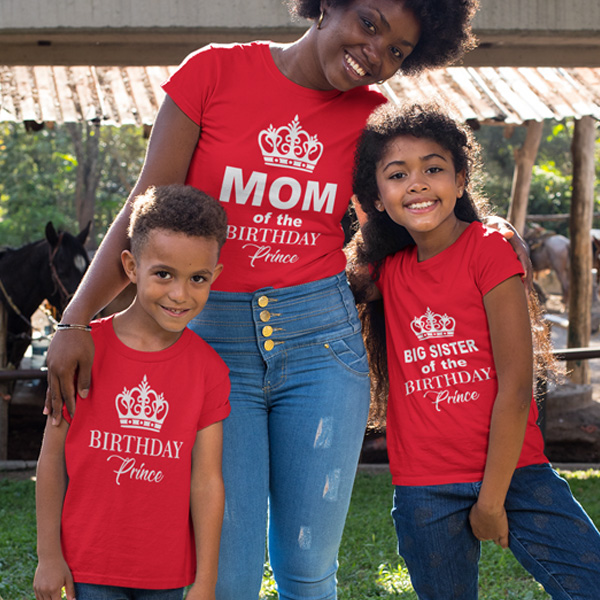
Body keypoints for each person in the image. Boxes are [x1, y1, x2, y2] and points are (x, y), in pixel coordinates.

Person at [42, 2, 529, 598]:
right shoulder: (213, 75)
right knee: (229, 574)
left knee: (307, 569)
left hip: (322, 344)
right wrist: (74, 320)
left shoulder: (375, 121)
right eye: (369, 24)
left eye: (398, 50)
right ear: (326, 4)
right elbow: (144, 210)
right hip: (213, 345)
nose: (377, 53)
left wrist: (492, 229)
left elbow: (422, 203)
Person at [347, 102, 600, 600]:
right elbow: (318, 268)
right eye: (397, 175)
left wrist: (491, 500)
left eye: (434, 169)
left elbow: (515, 386)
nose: (417, 183)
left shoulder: (487, 249)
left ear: (460, 180)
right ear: (377, 197)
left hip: (516, 472)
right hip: (425, 487)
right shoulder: (385, 272)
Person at [34, 184, 231, 600]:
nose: (180, 294)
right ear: (130, 266)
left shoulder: (209, 370)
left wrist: (206, 580)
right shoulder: (84, 352)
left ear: (215, 276)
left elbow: (207, 480)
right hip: (89, 568)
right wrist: (48, 555)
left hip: (168, 577)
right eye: (163, 274)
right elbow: (52, 460)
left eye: (197, 279)